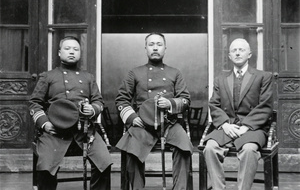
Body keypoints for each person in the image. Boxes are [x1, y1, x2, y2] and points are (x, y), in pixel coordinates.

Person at [29, 36, 112, 190]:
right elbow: (35, 103)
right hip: (55, 131)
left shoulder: (88, 77)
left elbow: (99, 102)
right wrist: (45, 124)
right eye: (67, 49)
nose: (72, 52)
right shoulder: (48, 76)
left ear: (80, 53)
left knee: (104, 163)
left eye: (76, 49)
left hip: (85, 131)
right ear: (59, 53)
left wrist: (92, 109)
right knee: (46, 167)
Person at [115, 33, 193, 189]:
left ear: (165, 48)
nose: (155, 47)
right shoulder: (135, 73)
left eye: (159, 44)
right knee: (132, 146)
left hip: (169, 124)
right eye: (151, 44)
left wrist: (170, 103)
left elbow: (185, 99)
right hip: (143, 124)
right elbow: (121, 99)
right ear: (145, 49)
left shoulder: (175, 73)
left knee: (184, 145)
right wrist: (132, 117)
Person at [203, 38, 273, 190]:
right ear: (229, 56)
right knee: (209, 148)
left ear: (249, 54)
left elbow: (265, 106)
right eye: (234, 50)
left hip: (253, 128)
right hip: (228, 127)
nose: (238, 53)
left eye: (241, 50)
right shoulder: (220, 79)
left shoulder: (263, 77)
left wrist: (246, 126)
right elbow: (213, 104)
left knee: (248, 150)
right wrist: (224, 124)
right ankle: (218, 188)